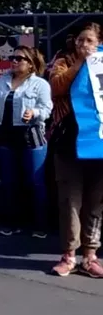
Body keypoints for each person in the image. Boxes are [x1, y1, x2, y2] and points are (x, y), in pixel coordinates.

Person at [0, 46, 52, 238]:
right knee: (9, 182)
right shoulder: (3, 80)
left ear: (31, 64)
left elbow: (47, 109)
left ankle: (40, 225)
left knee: (35, 182)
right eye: (13, 57)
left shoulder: (40, 84)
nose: (14, 61)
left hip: (31, 137)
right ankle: (12, 222)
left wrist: (34, 113)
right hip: (6, 137)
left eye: (20, 58)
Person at [48, 23, 103, 278]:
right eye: (80, 40)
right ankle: (69, 255)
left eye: (89, 41)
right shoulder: (63, 61)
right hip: (69, 141)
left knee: (96, 201)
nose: (84, 45)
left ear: (99, 42)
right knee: (70, 199)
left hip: (98, 143)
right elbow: (56, 87)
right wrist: (82, 64)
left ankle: (90, 255)